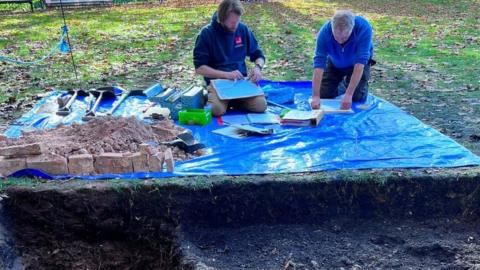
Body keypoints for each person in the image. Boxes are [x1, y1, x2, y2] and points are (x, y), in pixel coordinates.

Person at [193, 0, 267, 117]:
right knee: (216, 110)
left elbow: (259, 55)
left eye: (238, 21)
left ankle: (235, 101)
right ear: (221, 19)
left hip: (240, 81)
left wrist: (258, 68)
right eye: (232, 22)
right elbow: (200, 68)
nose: (235, 25)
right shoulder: (206, 33)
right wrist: (226, 75)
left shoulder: (242, 29)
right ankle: (219, 99)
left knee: (261, 106)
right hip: (218, 82)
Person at [311, 10, 374, 110]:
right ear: (332, 28)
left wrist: (349, 95)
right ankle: (343, 85)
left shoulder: (364, 28)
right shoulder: (324, 33)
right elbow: (318, 64)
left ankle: (351, 86)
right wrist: (315, 96)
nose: (340, 41)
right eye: (336, 37)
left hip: (356, 63)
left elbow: (360, 64)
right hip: (334, 61)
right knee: (323, 94)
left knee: (356, 97)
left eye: (344, 38)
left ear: (352, 29)